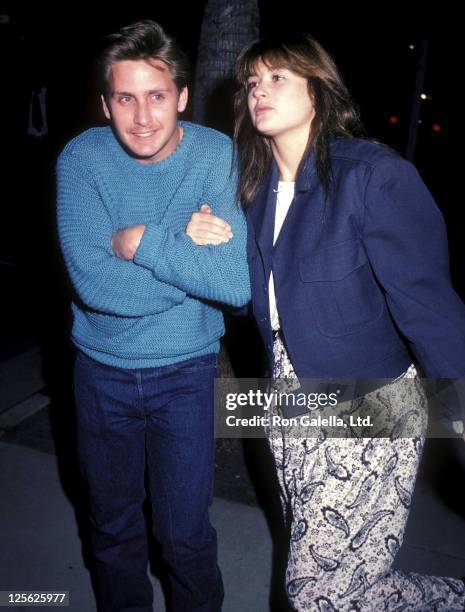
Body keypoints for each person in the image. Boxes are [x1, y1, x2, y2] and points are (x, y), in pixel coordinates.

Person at [187, 33, 465, 611]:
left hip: (373, 399)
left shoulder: (372, 177)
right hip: (288, 396)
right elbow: (252, 300)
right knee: (333, 574)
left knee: (318, 592)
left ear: (318, 90)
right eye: (252, 83)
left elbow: (428, 305)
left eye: (278, 79)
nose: (259, 91)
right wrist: (201, 240)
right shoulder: (255, 189)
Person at [56, 19, 250, 612]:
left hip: (187, 374)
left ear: (183, 97)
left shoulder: (217, 154)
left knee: (185, 535)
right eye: (125, 98)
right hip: (101, 372)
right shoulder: (81, 159)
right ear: (105, 103)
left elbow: (235, 283)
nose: (142, 117)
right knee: (112, 528)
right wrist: (187, 258)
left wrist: (142, 240)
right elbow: (95, 288)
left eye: (157, 96)